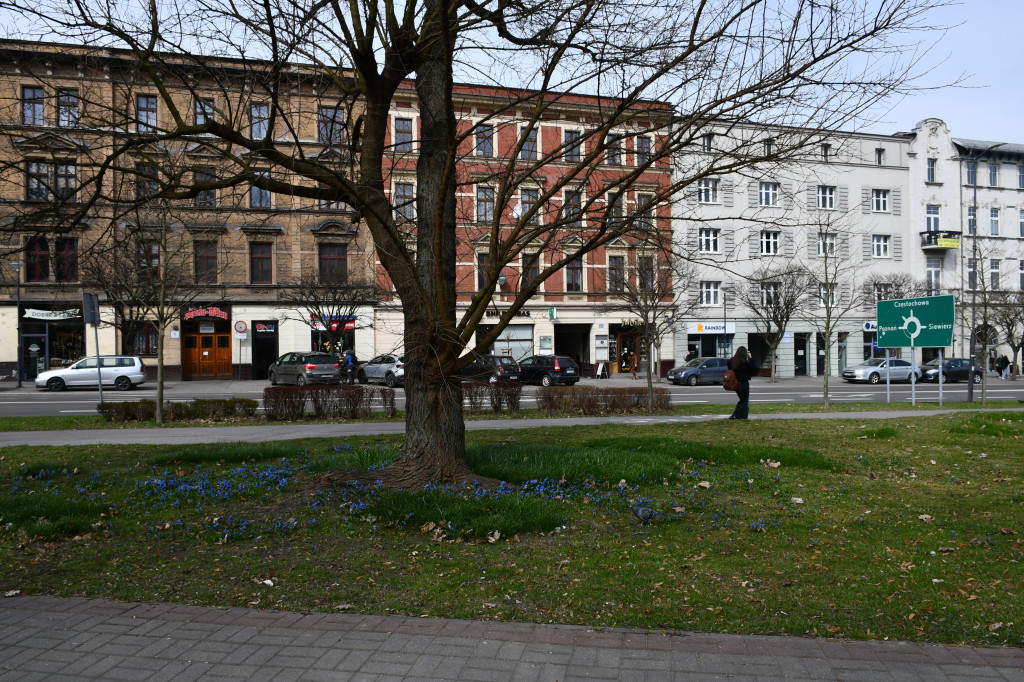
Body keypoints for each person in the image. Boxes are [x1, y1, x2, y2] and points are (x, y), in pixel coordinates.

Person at [727, 346, 753, 420]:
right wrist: (750, 358)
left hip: (736, 383)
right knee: (744, 401)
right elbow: (752, 369)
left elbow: (730, 368)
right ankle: (741, 417)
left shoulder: (731, 361)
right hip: (744, 383)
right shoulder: (745, 362)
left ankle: (736, 415)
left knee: (742, 400)